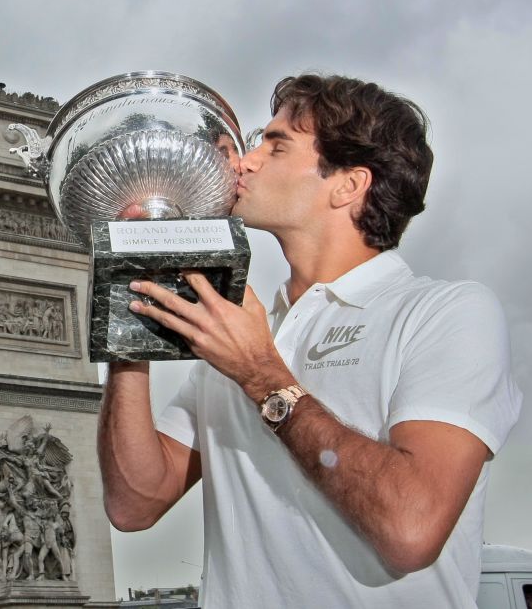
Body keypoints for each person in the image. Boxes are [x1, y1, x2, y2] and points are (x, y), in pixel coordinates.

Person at [97, 74, 522, 608]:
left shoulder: (445, 312)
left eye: (276, 146)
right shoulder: (245, 331)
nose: (245, 161)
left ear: (348, 184)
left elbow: (411, 529)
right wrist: (128, 313)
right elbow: (134, 504)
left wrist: (261, 376)